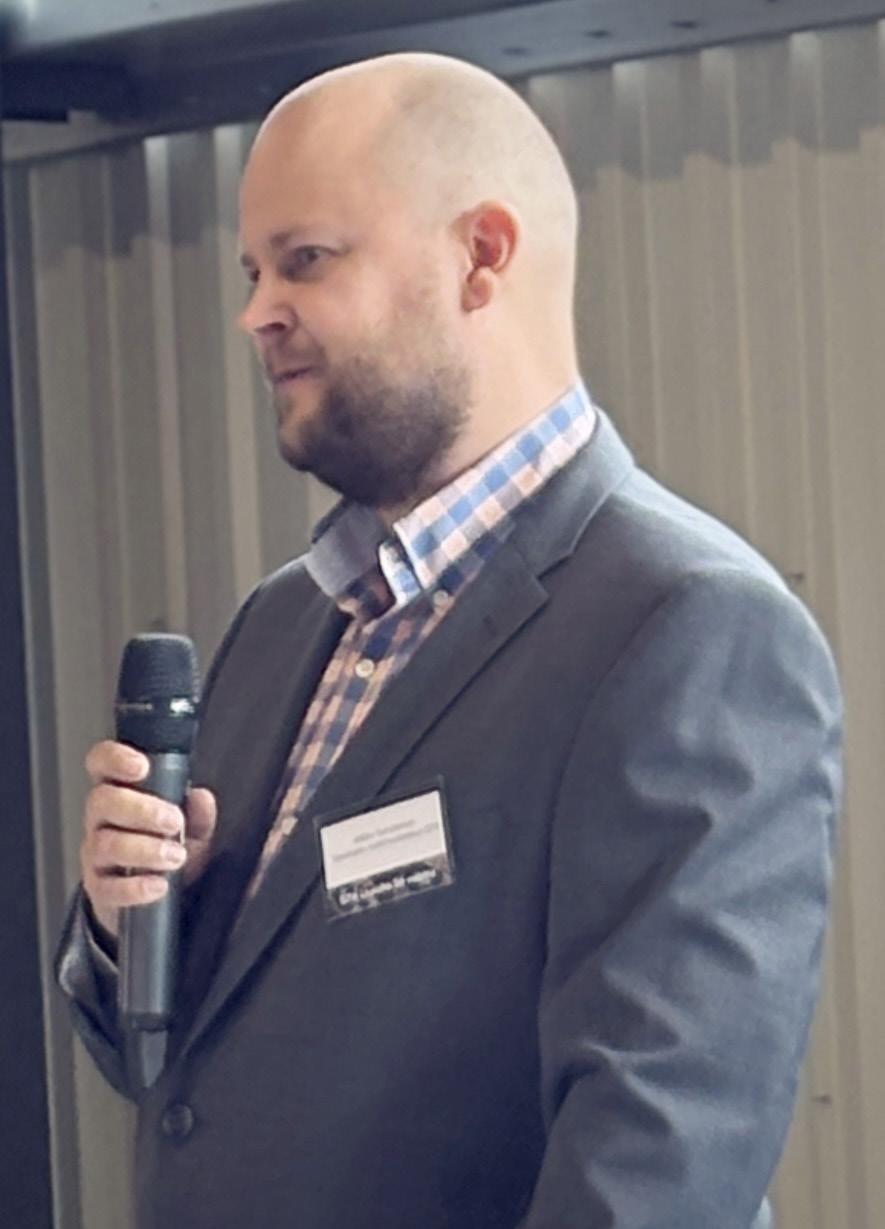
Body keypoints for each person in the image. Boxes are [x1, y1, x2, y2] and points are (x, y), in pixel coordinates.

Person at [56, 51, 842, 1229]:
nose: (256, 311)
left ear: (482, 256)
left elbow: (658, 1163)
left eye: (306, 259)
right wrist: (132, 925)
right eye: (254, 270)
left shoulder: (690, 627)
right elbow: (185, 1078)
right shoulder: (284, 620)